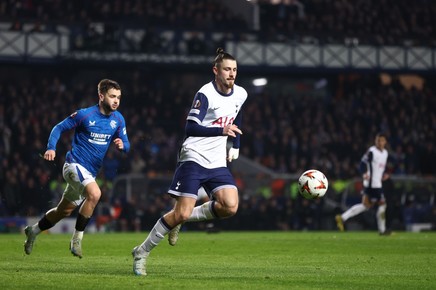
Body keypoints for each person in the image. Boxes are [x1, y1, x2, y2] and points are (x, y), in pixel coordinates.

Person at [131, 47, 248, 276]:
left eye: (234, 69)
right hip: (193, 156)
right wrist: (221, 130)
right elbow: (190, 127)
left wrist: (236, 145)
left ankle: (179, 220)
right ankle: (141, 252)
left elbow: (238, 113)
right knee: (181, 213)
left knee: (230, 206)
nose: (231, 74)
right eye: (227, 69)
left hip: (217, 160)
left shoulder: (241, 93)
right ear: (216, 70)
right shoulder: (205, 94)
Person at [24, 79, 130, 258]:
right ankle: (76, 240)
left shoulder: (118, 119)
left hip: (90, 173)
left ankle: (33, 231)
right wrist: (51, 147)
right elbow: (59, 128)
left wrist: (123, 145)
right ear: (101, 96)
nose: (116, 101)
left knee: (62, 212)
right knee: (95, 194)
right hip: (73, 165)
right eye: (112, 96)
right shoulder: (85, 115)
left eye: (118, 97)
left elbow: (127, 144)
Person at [335, 133, 390, 235]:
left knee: (366, 206)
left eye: (381, 140)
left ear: (385, 142)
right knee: (382, 205)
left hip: (377, 183)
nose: (379, 142)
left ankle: (342, 217)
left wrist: (384, 174)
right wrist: (364, 173)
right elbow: (362, 164)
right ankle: (382, 230)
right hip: (372, 184)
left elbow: (380, 167)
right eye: (377, 140)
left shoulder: (385, 153)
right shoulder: (372, 152)